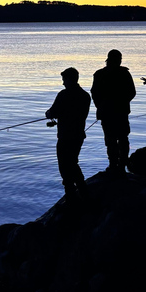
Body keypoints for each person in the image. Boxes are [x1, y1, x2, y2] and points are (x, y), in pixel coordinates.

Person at [46, 67, 91, 200]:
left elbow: (52, 112)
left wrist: (49, 114)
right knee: (72, 162)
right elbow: (79, 115)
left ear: (70, 80)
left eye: (64, 80)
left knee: (64, 165)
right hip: (78, 135)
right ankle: (82, 190)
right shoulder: (85, 96)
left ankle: (71, 194)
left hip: (65, 136)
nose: (63, 83)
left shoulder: (63, 95)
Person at [91, 49, 136, 175]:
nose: (120, 61)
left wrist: (100, 106)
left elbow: (94, 93)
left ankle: (114, 165)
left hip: (108, 113)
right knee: (121, 139)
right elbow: (132, 92)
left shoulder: (99, 74)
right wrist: (123, 102)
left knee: (112, 140)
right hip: (119, 112)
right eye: (119, 59)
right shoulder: (124, 73)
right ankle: (120, 165)